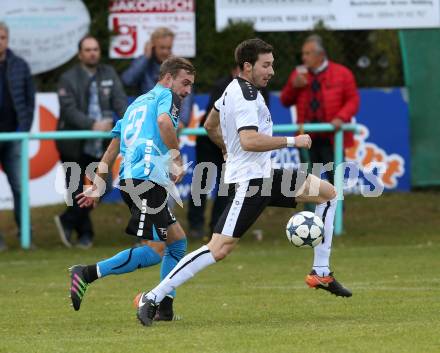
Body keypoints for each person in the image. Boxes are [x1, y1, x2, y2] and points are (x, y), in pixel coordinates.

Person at [135, 38, 352, 327]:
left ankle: (321, 271)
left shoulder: (232, 88)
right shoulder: (247, 95)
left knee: (328, 193)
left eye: (272, 65)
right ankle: (153, 296)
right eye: (266, 65)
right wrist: (292, 140)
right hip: (251, 183)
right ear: (247, 66)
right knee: (219, 248)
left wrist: (226, 148)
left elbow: (209, 125)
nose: (271, 71)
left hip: (266, 176)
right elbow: (249, 140)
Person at [70, 56, 195, 321]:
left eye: (191, 85)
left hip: (135, 179)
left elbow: (112, 147)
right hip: (146, 179)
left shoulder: (135, 104)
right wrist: (176, 158)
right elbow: (164, 123)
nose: (187, 91)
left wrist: (97, 184)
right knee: (154, 250)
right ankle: (87, 273)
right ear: (169, 78)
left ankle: (164, 308)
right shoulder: (167, 97)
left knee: (177, 242)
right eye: (185, 83)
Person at [54, 35, 127, 249]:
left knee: (101, 189)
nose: (92, 53)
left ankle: (67, 221)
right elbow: (68, 110)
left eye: (95, 49)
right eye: (87, 50)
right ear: (80, 54)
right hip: (74, 145)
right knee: (77, 191)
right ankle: (86, 235)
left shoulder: (109, 74)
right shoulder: (68, 78)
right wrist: (92, 124)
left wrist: (126, 122)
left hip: (100, 144)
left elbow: (121, 102)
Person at [187, 65, 270, 239]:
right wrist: (224, 143)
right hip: (210, 142)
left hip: (234, 145)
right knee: (201, 183)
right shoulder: (224, 86)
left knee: (226, 187)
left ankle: (217, 228)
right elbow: (214, 121)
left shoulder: (260, 90)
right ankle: (195, 225)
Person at [280, 34, 359, 186]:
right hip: (306, 138)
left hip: (332, 137)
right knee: (308, 184)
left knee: (336, 182)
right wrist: (293, 87)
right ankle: (310, 210)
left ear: (321, 55)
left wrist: (340, 118)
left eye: (307, 53)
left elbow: (353, 100)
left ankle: (337, 210)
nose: (303, 57)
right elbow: (285, 100)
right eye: (303, 53)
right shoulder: (298, 74)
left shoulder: (342, 73)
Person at [0, 22, 35, 251]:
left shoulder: (20, 65)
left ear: (8, 39)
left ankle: (26, 236)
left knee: (20, 188)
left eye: (2, 37)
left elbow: (29, 102)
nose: (0, 41)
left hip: (14, 136)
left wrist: (23, 131)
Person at [121, 27, 192, 127]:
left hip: (169, 123)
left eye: (169, 48)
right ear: (153, 46)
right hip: (145, 123)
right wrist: (146, 57)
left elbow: (186, 95)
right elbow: (127, 80)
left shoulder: (177, 67)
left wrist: (182, 121)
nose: (166, 52)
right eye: (162, 48)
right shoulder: (143, 63)